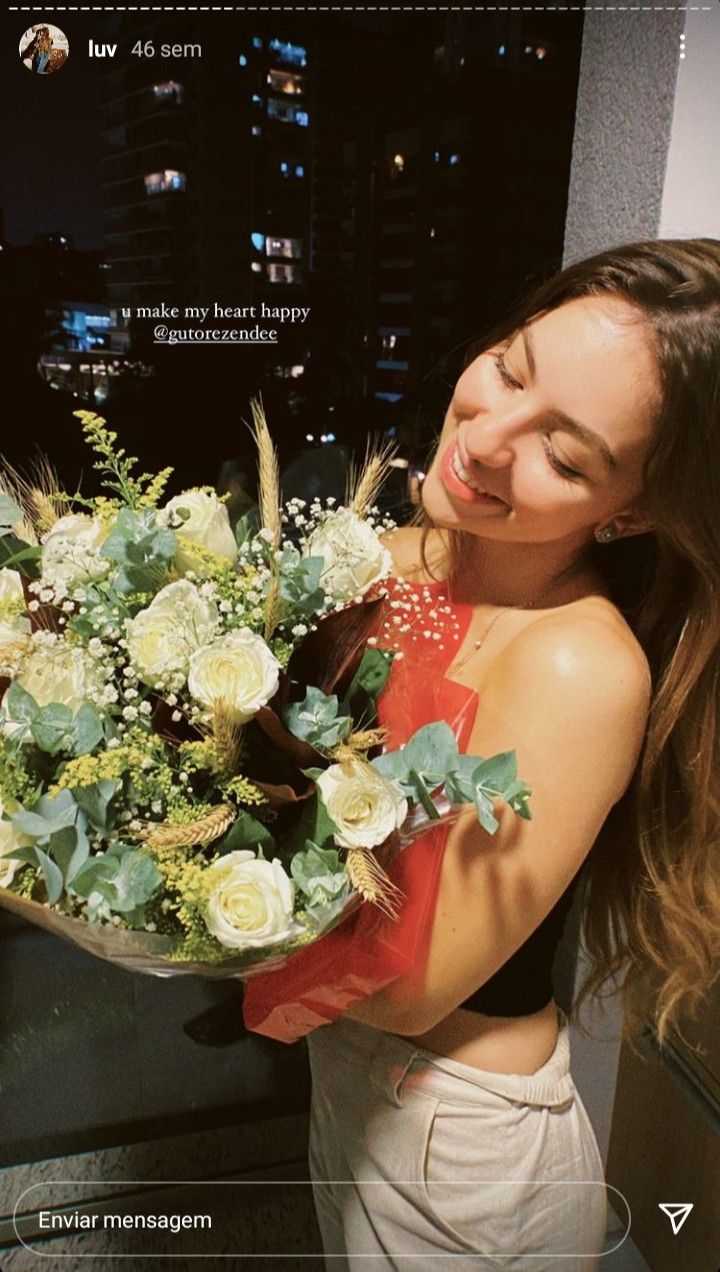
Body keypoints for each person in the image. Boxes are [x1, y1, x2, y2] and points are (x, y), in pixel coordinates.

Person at [304, 238, 720, 1270]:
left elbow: (409, 990)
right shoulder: (398, 555)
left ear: (628, 512)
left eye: (565, 455)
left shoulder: (581, 666)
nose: (487, 437)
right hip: (339, 1064)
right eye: (511, 367)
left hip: (461, 1139)